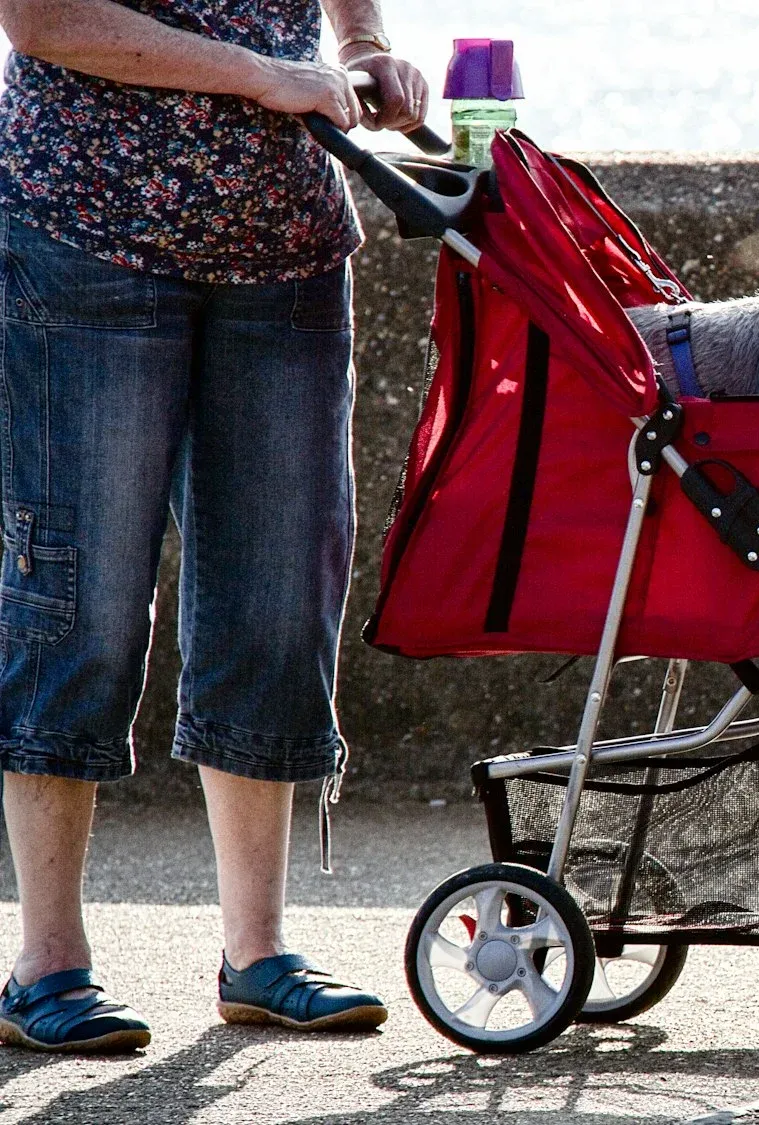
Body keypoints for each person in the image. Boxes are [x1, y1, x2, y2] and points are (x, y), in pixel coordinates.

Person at [0, 0, 427, 1052]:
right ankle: (46, 966)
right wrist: (260, 73)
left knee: (279, 604)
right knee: (77, 601)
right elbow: (40, 16)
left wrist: (365, 51)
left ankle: (261, 955)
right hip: (80, 237)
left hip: (285, 252)